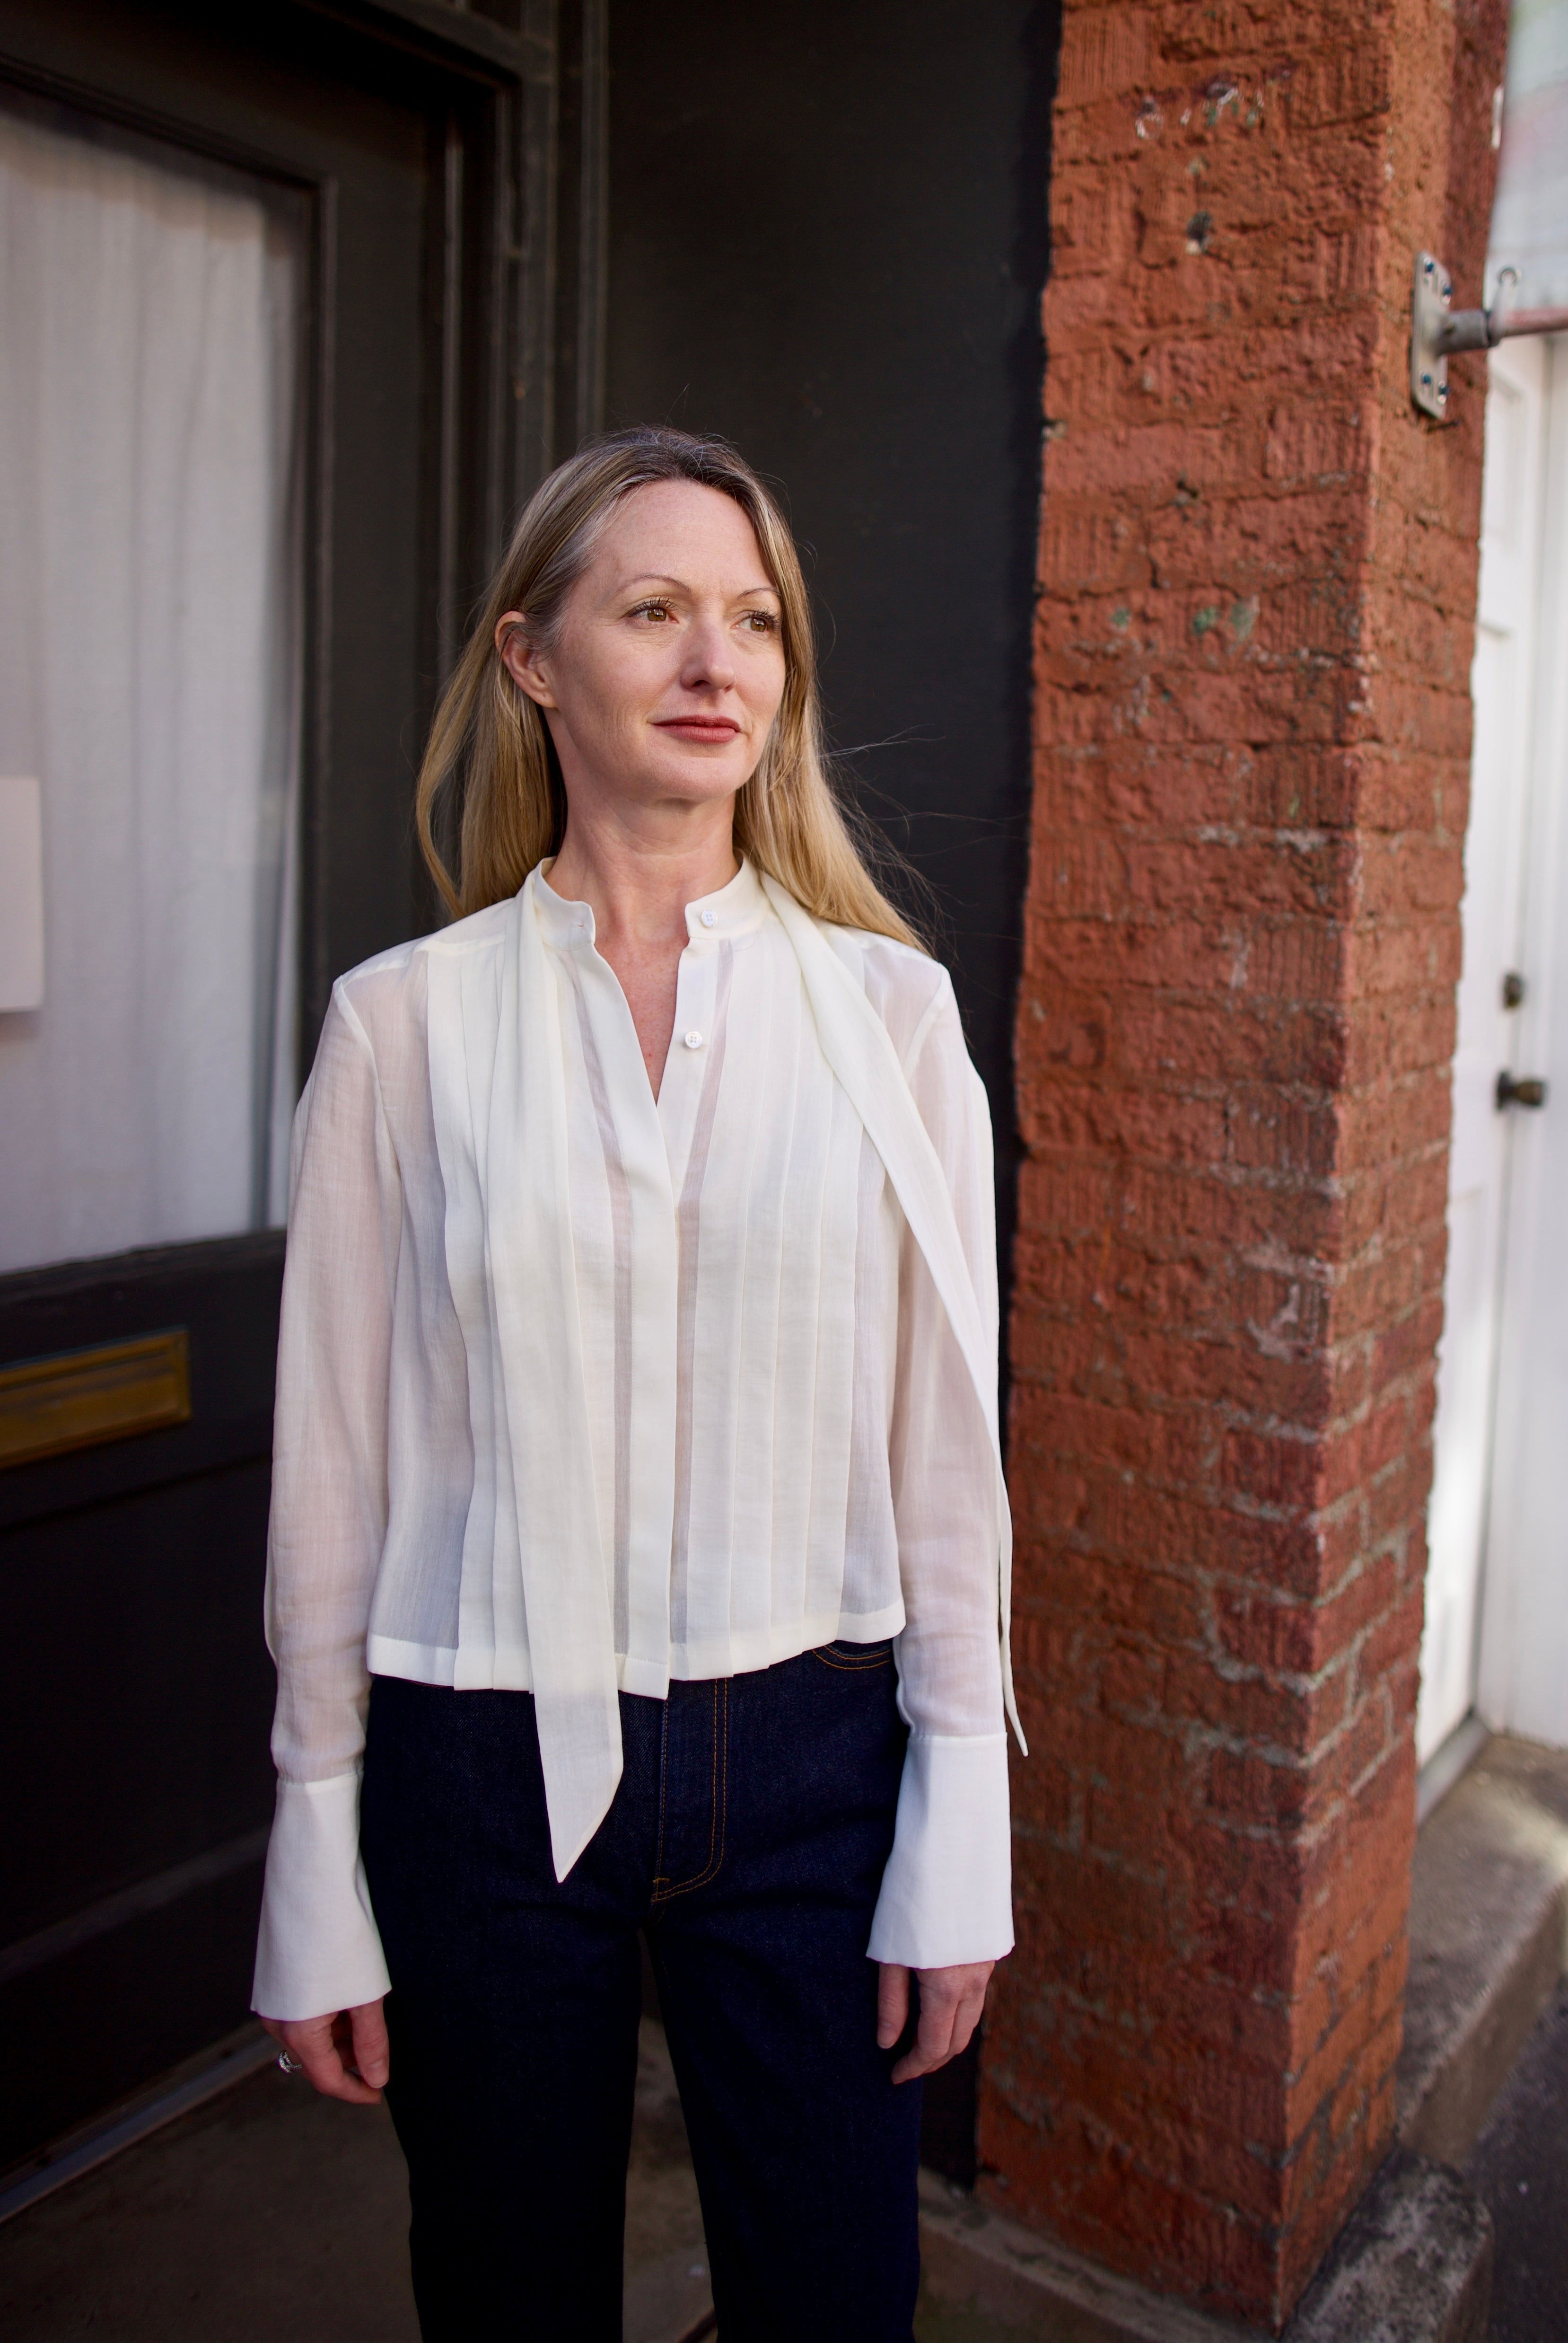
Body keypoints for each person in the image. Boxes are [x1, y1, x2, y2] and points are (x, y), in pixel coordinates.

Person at [252, 426, 1020, 2343]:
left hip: (813, 1753)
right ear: (531, 657)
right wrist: (309, 1840)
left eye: (752, 619)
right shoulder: (401, 1026)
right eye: (653, 608)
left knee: (834, 2301)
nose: (715, 664)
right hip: (477, 1761)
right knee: (506, 2295)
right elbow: (333, 1464)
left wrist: (956, 1812)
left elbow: (943, 1445)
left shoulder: (888, 1017)